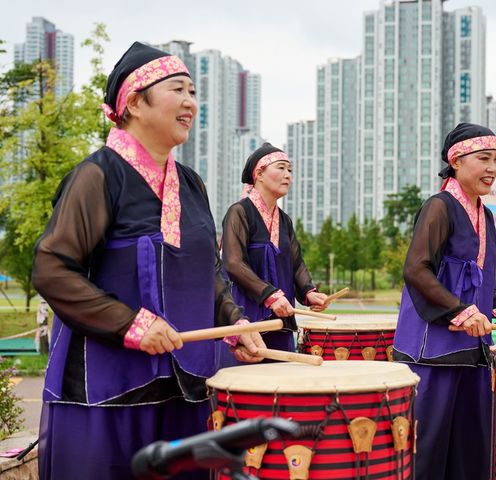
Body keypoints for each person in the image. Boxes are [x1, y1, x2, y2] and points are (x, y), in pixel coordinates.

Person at [32, 42, 265, 480]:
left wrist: (236, 324)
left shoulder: (192, 184)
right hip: (107, 389)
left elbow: (207, 270)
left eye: (193, 92)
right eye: (178, 89)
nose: (190, 103)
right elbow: (52, 268)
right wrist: (131, 324)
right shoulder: (98, 175)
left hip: (186, 387)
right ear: (134, 102)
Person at [392, 123, 496, 480]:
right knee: (429, 448)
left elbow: (481, 272)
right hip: (434, 348)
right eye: (484, 159)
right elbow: (417, 271)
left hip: (474, 347)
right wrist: (461, 311)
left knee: (471, 445)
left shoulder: (487, 216)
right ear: (457, 161)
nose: (493, 168)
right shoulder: (439, 206)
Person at [218, 142, 327, 368]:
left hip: (280, 321)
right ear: (259, 174)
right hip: (246, 320)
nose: (288, 175)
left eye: (290, 170)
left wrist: (309, 292)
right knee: (245, 389)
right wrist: (270, 295)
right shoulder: (239, 212)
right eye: (281, 168)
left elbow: (295, 264)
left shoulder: (284, 220)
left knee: (281, 386)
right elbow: (233, 263)